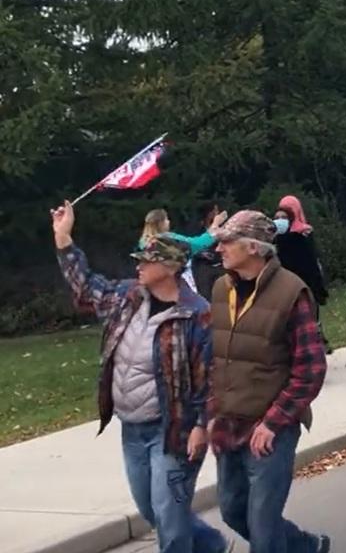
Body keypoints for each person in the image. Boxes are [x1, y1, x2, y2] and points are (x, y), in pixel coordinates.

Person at [52, 202, 228, 553]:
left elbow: (210, 377)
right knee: (153, 510)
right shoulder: (127, 297)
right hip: (132, 429)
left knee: (169, 516)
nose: (138, 265)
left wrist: (200, 425)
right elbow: (87, 288)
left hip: (174, 431)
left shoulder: (197, 315)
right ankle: (210, 544)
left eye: (145, 260)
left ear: (169, 267)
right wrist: (63, 238)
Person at [208, 210, 330, 552]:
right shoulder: (221, 289)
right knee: (233, 511)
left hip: (270, 428)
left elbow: (310, 369)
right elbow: (213, 358)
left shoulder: (291, 292)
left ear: (254, 247)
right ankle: (307, 547)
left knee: (263, 529)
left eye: (227, 242)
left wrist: (274, 423)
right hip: (228, 422)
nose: (219, 249)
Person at [274, 195, 330, 353]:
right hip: (284, 287)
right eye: (277, 217)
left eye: (285, 216)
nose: (280, 220)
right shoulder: (274, 238)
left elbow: (311, 263)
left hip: (305, 286)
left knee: (308, 322)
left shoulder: (304, 234)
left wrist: (319, 289)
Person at [139, 208, 222, 296]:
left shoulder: (144, 242)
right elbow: (195, 244)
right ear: (161, 223)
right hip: (177, 280)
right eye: (166, 219)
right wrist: (215, 225)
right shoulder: (169, 240)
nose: (168, 221)